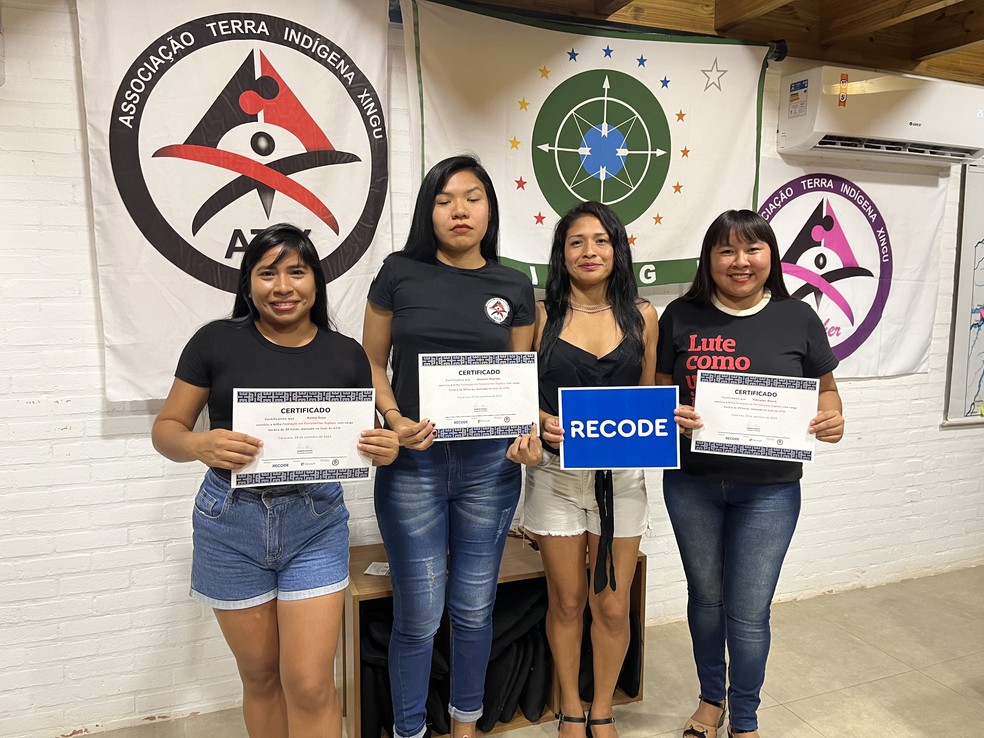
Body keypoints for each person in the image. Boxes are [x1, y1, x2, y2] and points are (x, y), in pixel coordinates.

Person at [151, 224, 399, 738]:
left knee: (309, 683)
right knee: (261, 677)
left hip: (315, 522)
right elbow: (166, 431)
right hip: (230, 523)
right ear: (248, 284)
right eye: (267, 274)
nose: (282, 287)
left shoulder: (347, 353)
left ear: (315, 281)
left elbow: (368, 437)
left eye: (296, 272)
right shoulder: (214, 341)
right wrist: (201, 444)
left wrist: (385, 447)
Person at [362, 155, 538, 738]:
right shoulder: (398, 272)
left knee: (473, 609)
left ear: (490, 209)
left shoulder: (513, 283)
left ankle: (465, 725)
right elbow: (372, 361)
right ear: (428, 210)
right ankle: (409, 729)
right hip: (413, 461)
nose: (459, 210)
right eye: (444, 199)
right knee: (419, 614)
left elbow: (520, 375)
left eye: (472, 197)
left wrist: (525, 436)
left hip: (490, 467)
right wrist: (392, 418)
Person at [655, 210, 845, 738]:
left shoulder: (798, 317)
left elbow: (825, 388)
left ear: (770, 256)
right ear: (709, 260)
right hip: (692, 482)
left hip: (770, 491)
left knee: (749, 610)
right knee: (706, 599)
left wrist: (832, 417)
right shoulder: (681, 314)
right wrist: (672, 414)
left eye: (752, 250)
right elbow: (658, 389)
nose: (740, 262)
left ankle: (746, 717)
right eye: (726, 251)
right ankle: (710, 700)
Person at [510, 201, 658, 738]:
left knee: (613, 606)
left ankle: (602, 709)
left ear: (617, 251)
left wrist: (668, 419)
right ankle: (571, 708)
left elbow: (646, 399)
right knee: (567, 601)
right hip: (555, 477)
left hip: (622, 480)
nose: (589, 251)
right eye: (576, 242)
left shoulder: (642, 315)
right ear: (561, 253)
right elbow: (516, 396)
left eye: (601, 241)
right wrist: (538, 422)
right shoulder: (541, 315)